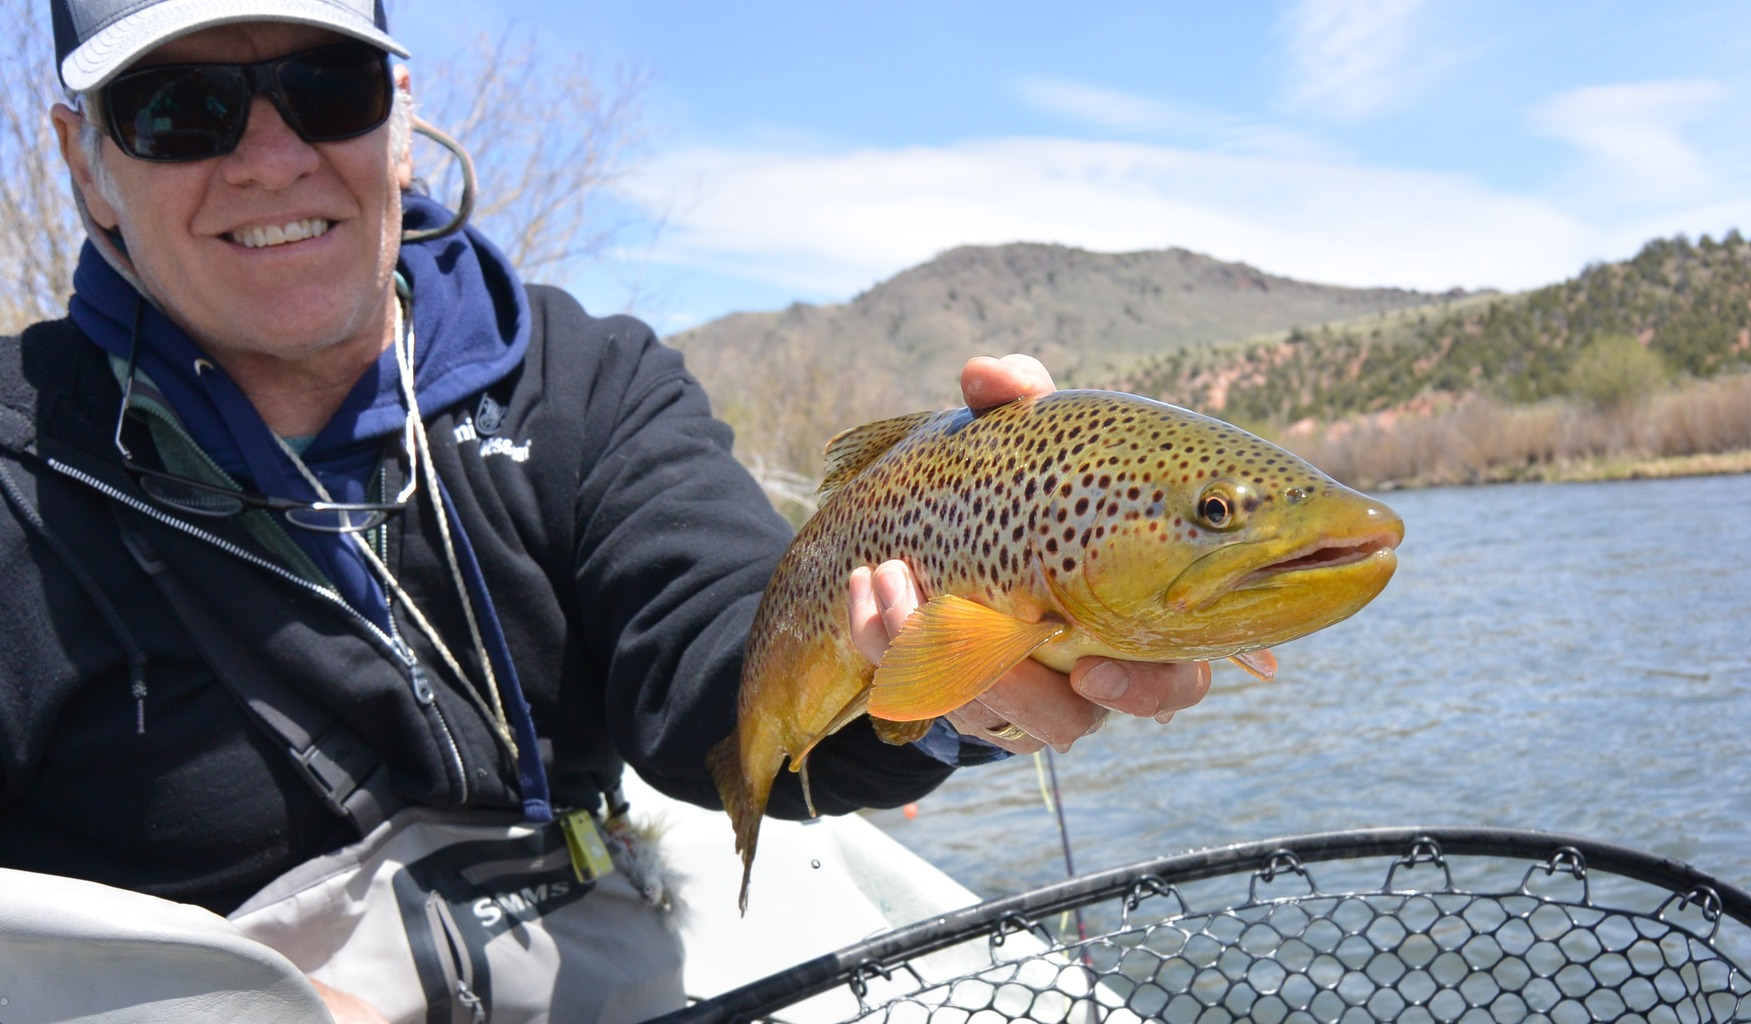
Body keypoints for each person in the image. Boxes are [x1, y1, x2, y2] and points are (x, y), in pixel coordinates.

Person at [1, 2, 1212, 1021]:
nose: (270, 156)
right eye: (178, 108)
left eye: (327, 85)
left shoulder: (586, 381)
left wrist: (938, 671)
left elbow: (718, 658)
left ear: (401, 117)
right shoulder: (17, 476)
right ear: (83, 159)